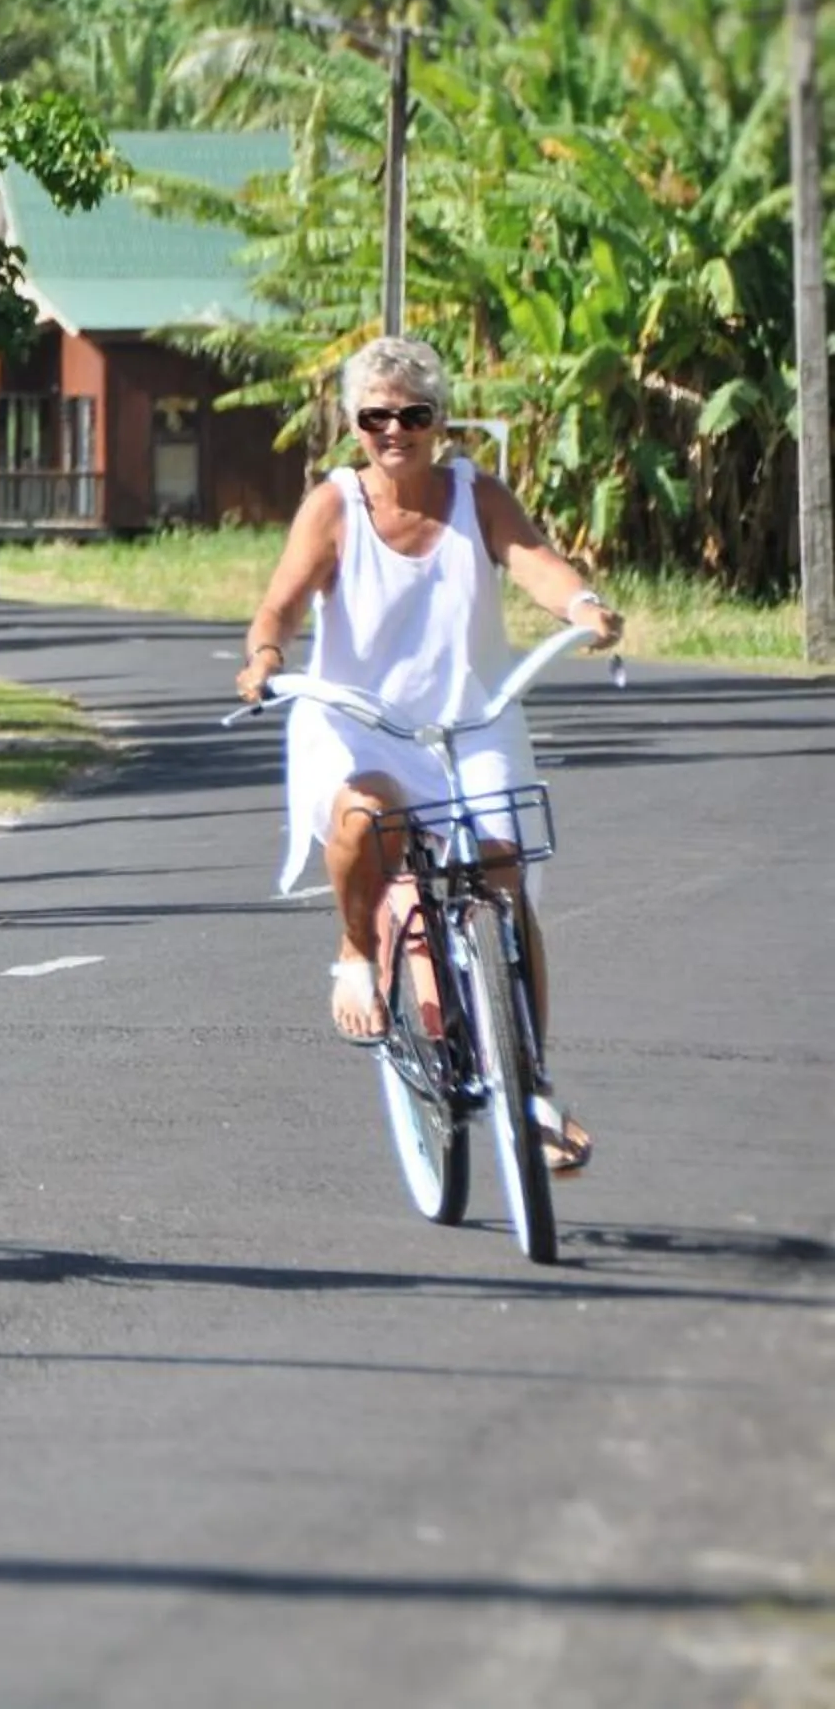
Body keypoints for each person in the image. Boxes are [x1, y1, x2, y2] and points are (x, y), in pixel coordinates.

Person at [236, 335, 623, 1172]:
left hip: (471, 725)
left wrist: (584, 606)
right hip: (360, 725)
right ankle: (354, 953)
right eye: (377, 417)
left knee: (503, 874)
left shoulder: (475, 494)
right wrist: (265, 659)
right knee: (366, 820)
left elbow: (535, 563)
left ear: (439, 420)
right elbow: (282, 604)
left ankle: (531, 1084)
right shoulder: (334, 505)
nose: (394, 430)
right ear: (354, 424)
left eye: (412, 415)